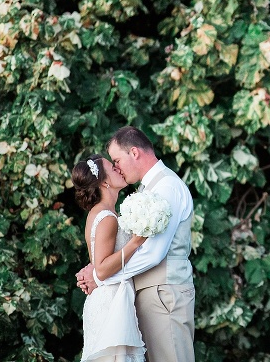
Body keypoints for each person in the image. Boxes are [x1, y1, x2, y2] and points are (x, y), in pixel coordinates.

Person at [76, 126, 195, 362]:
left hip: (164, 292)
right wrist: (100, 270)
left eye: (117, 159)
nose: (117, 166)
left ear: (135, 153)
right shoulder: (147, 190)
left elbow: (153, 253)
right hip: (146, 294)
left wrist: (100, 276)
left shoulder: (166, 187)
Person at [72, 154, 147, 362]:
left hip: (111, 299)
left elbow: (98, 263)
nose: (118, 168)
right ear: (104, 182)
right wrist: (136, 242)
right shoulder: (106, 217)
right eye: (112, 168)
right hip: (109, 304)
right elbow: (103, 270)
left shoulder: (103, 213)